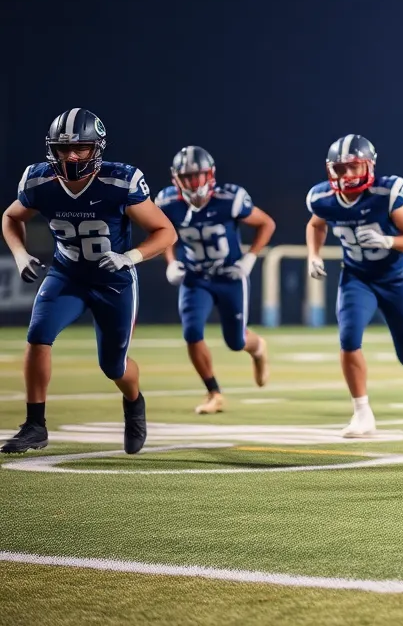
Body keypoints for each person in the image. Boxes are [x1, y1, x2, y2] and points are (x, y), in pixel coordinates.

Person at [2, 109, 177, 454]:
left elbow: (166, 232)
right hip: (67, 274)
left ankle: (134, 402)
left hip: (114, 282)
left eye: (80, 147)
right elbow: (10, 217)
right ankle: (35, 425)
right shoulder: (39, 181)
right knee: (38, 336)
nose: (70, 156)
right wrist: (20, 254)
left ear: (96, 148)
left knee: (113, 365)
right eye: (62, 148)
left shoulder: (119, 182)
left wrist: (130, 257)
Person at [306, 134, 403, 438]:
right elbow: (315, 224)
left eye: (353, 167)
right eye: (340, 169)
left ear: (369, 166)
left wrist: (389, 240)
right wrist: (313, 254)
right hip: (356, 276)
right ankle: (362, 413)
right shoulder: (322, 198)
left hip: (394, 277)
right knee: (348, 338)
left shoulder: (386, 192)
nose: (347, 175)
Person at [157, 146, 275, 414]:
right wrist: (171, 261)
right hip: (195, 277)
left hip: (229, 277)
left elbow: (266, 223)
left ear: (210, 175)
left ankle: (258, 349)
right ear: (176, 179)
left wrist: (250, 258)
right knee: (192, 333)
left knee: (235, 342)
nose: (193, 182)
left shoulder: (230, 198)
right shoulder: (166, 202)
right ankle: (214, 392)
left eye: (197, 175)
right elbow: (162, 231)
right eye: (186, 177)